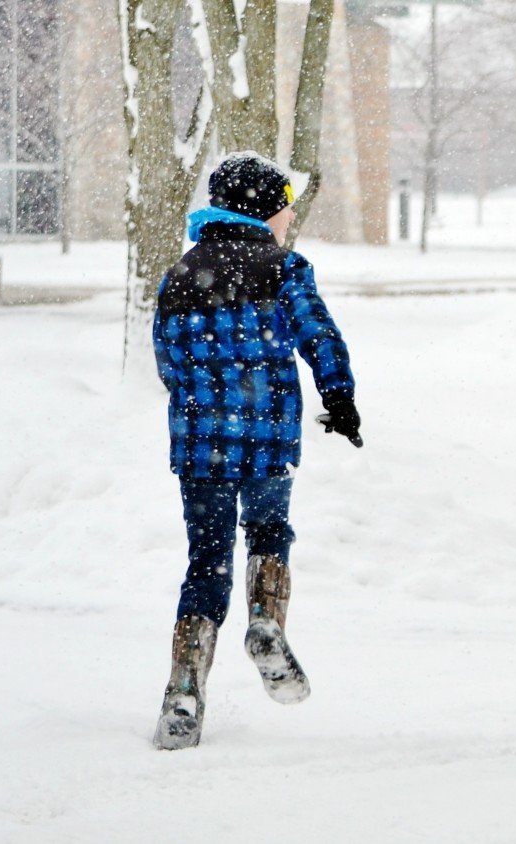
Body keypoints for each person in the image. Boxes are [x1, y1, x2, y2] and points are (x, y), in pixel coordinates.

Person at [151, 152, 363, 750]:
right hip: (270, 437)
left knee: (206, 559)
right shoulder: (286, 268)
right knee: (269, 530)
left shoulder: (181, 275)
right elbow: (319, 335)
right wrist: (339, 397)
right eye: (283, 209)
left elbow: (167, 358)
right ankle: (267, 622)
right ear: (263, 210)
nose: (287, 220)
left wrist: (201, 399)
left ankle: (183, 692)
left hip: (201, 446)